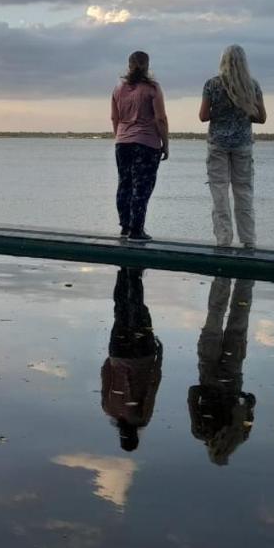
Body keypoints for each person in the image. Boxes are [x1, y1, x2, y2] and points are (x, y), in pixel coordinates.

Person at [199, 44, 267, 248]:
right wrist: (242, 111)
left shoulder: (212, 84)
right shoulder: (252, 85)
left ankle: (223, 240)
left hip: (218, 144)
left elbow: (203, 116)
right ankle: (248, 240)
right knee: (244, 191)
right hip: (243, 144)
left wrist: (219, 112)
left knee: (219, 192)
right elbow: (261, 117)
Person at [187, 277, 256, 465]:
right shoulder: (201, 432)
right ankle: (223, 275)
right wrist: (208, 390)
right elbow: (193, 393)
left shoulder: (241, 435)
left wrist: (239, 398)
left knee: (239, 318)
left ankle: (245, 277)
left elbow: (250, 402)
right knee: (216, 314)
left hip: (232, 373)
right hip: (209, 368)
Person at [101, 267, 163, 452]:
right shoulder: (109, 410)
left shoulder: (142, 418)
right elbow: (105, 375)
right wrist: (111, 359)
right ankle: (123, 271)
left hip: (143, 356)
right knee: (121, 310)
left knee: (139, 310)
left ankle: (133, 272)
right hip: (118, 354)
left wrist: (159, 359)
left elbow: (152, 386)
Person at [111, 51, 169, 241]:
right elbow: (160, 118)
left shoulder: (118, 89)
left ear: (129, 65)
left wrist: (119, 136)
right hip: (146, 144)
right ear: (148, 65)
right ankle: (137, 230)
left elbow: (115, 117)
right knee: (141, 187)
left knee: (124, 184)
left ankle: (125, 226)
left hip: (122, 143)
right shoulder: (153, 88)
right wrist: (165, 143)